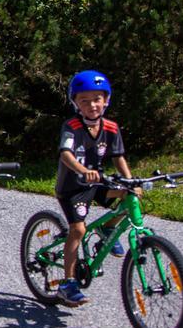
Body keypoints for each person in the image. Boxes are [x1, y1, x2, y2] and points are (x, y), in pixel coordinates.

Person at [54, 70, 138, 307]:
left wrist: (129, 180)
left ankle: (107, 230)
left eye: (97, 99)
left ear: (106, 100)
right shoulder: (71, 126)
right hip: (73, 187)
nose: (92, 104)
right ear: (76, 103)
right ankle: (67, 283)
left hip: (98, 183)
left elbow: (118, 156)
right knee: (78, 230)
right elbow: (66, 154)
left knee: (129, 197)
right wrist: (82, 170)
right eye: (84, 100)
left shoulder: (110, 127)